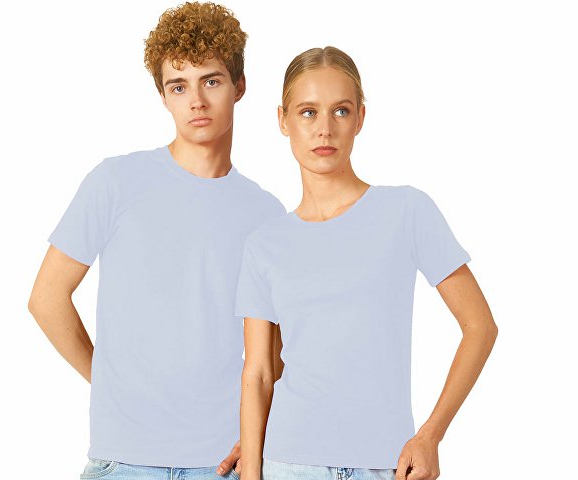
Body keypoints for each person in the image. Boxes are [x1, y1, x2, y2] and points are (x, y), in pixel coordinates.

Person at [27, 2, 286, 479]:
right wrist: (107, 382)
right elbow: (46, 297)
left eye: (211, 81)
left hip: (222, 463)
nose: (196, 101)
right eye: (178, 86)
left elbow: (275, 352)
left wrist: (256, 432)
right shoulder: (116, 182)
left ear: (240, 86)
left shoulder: (266, 214)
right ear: (163, 96)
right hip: (124, 460)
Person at [235, 46, 498, 480]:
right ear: (282, 120)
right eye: (308, 112)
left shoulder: (406, 211)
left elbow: (480, 326)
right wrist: (251, 472)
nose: (324, 128)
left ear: (360, 117)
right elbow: (259, 373)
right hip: (289, 463)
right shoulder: (265, 244)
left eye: (340, 111)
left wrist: (430, 435)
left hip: (385, 462)